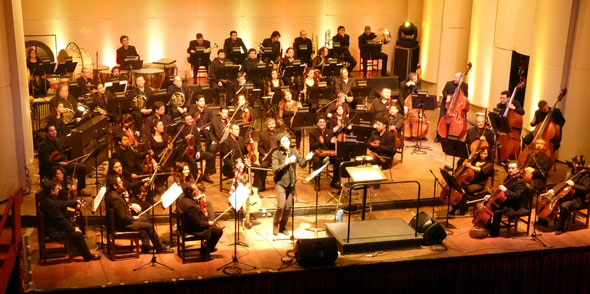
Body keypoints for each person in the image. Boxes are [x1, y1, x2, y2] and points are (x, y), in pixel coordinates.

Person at [104, 175, 173, 254]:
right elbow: (122, 217)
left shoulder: (111, 194)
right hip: (122, 225)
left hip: (120, 222)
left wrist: (130, 207)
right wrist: (134, 218)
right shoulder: (115, 198)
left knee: (145, 218)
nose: (122, 182)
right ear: (115, 186)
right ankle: (160, 248)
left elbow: (120, 211)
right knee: (149, 226)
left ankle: (145, 246)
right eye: (119, 182)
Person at [39, 180, 101, 262]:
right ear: (52, 191)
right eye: (57, 189)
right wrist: (72, 228)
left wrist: (75, 202)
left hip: (53, 226)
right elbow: (60, 220)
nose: (58, 190)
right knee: (77, 234)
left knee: (76, 223)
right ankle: (88, 256)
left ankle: (80, 249)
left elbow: (61, 203)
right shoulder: (50, 203)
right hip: (53, 231)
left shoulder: (47, 198)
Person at [271, 133, 313, 236]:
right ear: (280, 144)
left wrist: (307, 159)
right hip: (281, 183)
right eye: (283, 141)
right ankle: (275, 224)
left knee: (288, 207)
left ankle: (283, 226)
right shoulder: (276, 153)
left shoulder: (294, 151)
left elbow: (302, 164)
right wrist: (287, 162)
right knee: (281, 206)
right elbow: (275, 169)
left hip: (291, 183)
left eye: (287, 140)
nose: (286, 143)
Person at [38, 125, 89, 196]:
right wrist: (59, 163)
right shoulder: (44, 146)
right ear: (47, 133)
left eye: (55, 130)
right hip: (51, 166)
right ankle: (64, 194)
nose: (54, 132)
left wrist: (66, 159)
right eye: (51, 131)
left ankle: (80, 190)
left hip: (62, 162)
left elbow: (61, 154)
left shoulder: (57, 140)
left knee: (82, 168)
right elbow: (47, 162)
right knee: (63, 172)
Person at [177, 183, 223, 258]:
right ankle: (208, 249)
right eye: (194, 190)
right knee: (218, 231)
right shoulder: (191, 207)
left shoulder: (182, 198)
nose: (196, 191)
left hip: (185, 224)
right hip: (192, 229)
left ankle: (206, 247)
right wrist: (208, 223)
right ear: (190, 192)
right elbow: (198, 225)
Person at [485, 160, 527, 238]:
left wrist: (506, 190)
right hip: (507, 200)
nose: (510, 170)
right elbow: (501, 192)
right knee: (488, 202)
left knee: (497, 210)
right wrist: (491, 196)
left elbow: (517, 196)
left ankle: (495, 233)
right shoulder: (509, 177)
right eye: (509, 168)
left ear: (518, 169)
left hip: (515, 205)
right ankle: (488, 225)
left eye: (512, 168)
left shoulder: (520, 181)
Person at [451, 146, 494, 215]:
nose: (482, 155)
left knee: (466, 189)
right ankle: (455, 207)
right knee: (458, 188)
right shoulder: (476, 161)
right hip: (470, 181)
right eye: (481, 153)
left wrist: (471, 166)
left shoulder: (489, 164)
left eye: (485, 154)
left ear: (488, 155)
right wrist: (465, 163)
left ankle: (463, 209)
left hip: (479, 184)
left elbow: (480, 170)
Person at [554, 155, 590, 235]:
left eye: (580, 164)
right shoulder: (570, 171)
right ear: (573, 163)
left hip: (578, 199)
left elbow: (585, 189)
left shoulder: (586, 175)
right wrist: (553, 190)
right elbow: (562, 182)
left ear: (582, 164)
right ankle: (543, 220)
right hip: (567, 195)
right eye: (576, 163)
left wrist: (574, 185)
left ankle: (560, 228)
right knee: (554, 199)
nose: (577, 165)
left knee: (564, 205)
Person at [176, 113, 216, 183]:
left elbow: (197, 141)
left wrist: (198, 151)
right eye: (187, 120)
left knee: (211, 156)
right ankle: (198, 181)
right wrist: (185, 139)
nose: (189, 121)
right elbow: (177, 143)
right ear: (183, 121)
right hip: (185, 153)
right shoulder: (180, 129)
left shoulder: (194, 127)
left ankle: (205, 175)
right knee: (193, 162)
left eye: (190, 119)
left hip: (195, 151)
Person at [309, 116, 341, 189]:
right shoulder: (313, 132)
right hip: (317, 153)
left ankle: (334, 182)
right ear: (317, 123)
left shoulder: (330, 132)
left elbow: (332, 148)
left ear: (326, 124)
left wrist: (333, 143)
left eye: (323, 122)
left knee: (338, 160)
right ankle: (317, 182)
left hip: (328, 153)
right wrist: (319, 142)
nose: (322, 123)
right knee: (317, 161)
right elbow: (312, 146)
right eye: (320, 122)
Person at [436, 72, 468, 142]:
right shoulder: (449, 83)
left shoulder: (465, 86)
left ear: (460, 79)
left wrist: (461, 100)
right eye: (454, 77)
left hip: (457, 107)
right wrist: (447, 96)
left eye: (456, 78)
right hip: (447, 104)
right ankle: (438, 136)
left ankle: (453, 136)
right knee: (442, 118)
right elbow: (444, 91)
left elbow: (466, 97)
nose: (454, 79)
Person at [254, 118, 280, 192]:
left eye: (273, 124)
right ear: (267, 125)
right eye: (269, 124)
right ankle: (262, 184)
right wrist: (265, 154)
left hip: (277, 156)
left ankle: (279, 183)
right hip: (266, 156)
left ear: (275, 124)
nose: (271, 125)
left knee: (281, 165)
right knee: (263, 166)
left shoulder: (279, 133)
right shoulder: (262, 134)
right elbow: (260, 147)